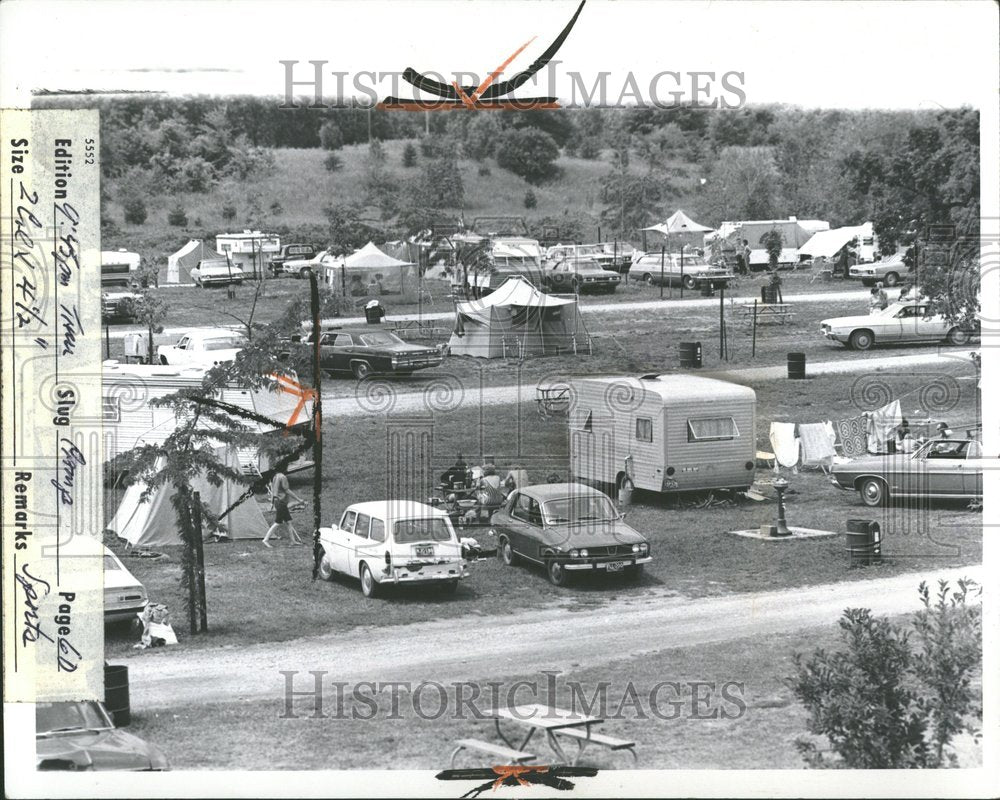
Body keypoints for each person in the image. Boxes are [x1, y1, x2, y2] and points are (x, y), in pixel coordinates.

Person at [263, 470, 306, 547]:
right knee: (278, 522)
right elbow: (287, 490)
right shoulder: (282, 477)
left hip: (277, 501)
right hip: (281, 502)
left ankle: (293, 541)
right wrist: (299, 499)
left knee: (288, 522)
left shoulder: (275, 477)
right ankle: (265, 540)